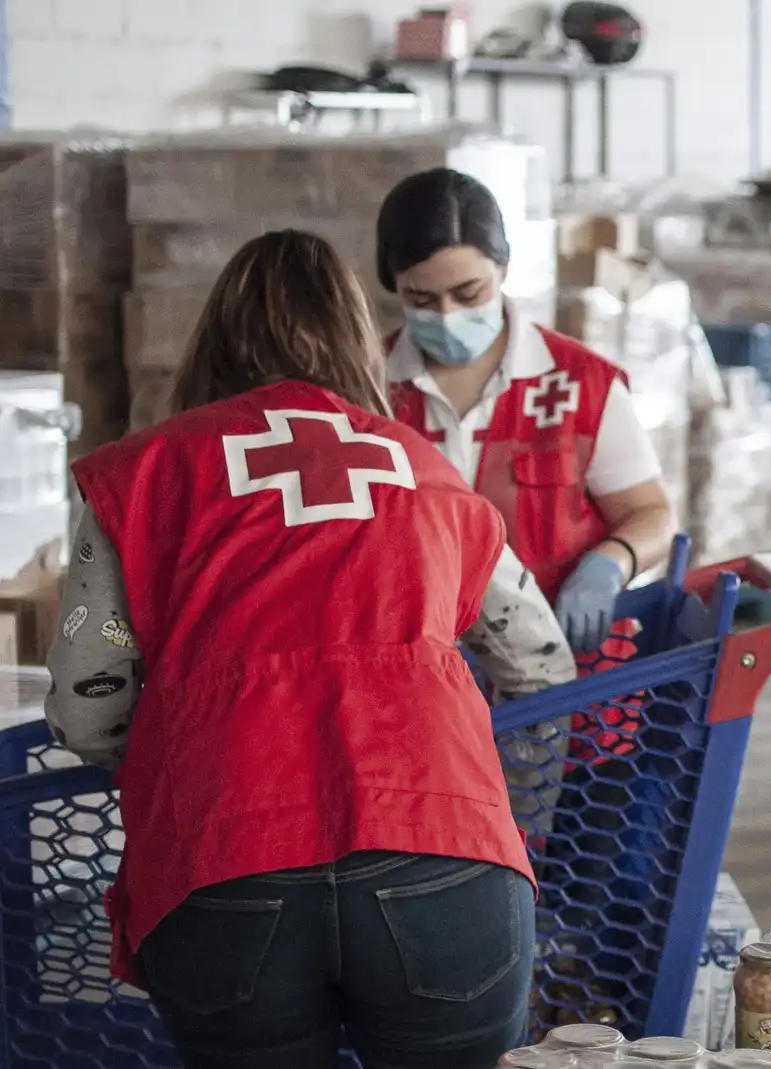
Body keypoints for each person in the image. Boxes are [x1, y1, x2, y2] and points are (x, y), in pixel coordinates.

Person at [44, 230, 576, 1068]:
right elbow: (541, 663)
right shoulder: (429, 474)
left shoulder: (137, 478)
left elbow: (87, 701)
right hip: (444, 852)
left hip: (223, 864)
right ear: (359, 337)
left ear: (211, 339)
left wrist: (173, 756)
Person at [377, 168, 677, 655]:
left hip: (565, 670)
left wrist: (611, 563)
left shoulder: (580, 386)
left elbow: (652, 514)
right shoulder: (369, 391)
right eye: (422, 299)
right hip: (422, 674)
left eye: (469, 293)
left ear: (504, 269)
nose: (449, 315)